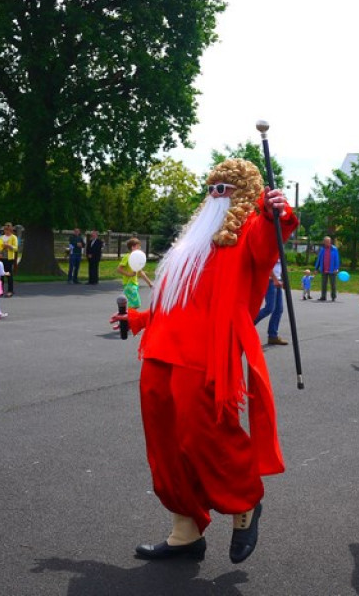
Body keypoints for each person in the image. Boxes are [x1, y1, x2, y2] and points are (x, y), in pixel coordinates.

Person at [109, 158, 297, 564]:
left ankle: (245, 503)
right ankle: (185, 529)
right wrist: (140, 318)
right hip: (160, 347)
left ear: (243, 194)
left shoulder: (248, 229)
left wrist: (275, 213)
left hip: (205, 352)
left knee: (203, 433)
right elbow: (174, 298)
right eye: (212, 187)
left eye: (225, 188)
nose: (215, 195)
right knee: (163, 441)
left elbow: (268, 245)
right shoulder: (189, 242)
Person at [253, 262, 288, 345]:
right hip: (269, 280)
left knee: (279, 309)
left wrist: (283, 279)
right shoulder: (272, 249)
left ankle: (272, 336)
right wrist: (275, 279)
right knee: (269, 308)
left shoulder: (280, 250)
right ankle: (247, 324)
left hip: (277, 280)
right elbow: (266, 264)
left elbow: (281, 266)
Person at [117, 238, 153, 309]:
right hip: (128, 284)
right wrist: (129, 274)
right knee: (136, 304)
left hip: (134, 284)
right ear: (132, 247)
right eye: (138, 246)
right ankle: (128, 316)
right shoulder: (128, 256)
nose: (139, 248)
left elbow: (140, 272)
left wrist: (149, 283)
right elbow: (119, 269)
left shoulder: (137, 258)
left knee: (133, 304)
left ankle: (129, 317)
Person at [314, 236, 340, 302]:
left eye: (328, 241)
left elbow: (337, 260)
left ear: (330, 242)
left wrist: (336, 268)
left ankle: (333, 297)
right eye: (325, 241)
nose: (327, 243)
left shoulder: (334, 249)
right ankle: (323, 297)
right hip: (324, 269)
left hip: (332, 270)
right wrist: (316, 268)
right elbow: (319, 259)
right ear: (324, 242)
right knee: (323, 284)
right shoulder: (322, 249)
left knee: (333, 284)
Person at [0, 223, 18, 297]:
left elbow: (16, 248)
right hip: (1, 257)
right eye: (5, 229)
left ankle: (10, 291)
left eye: (8, 230)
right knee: (1, 275)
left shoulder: (13, 237)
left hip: (9, 258)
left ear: (11, 230)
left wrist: (9, 246)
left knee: (8, 274)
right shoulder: (1, 237)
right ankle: (0, 290)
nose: (7, 231)